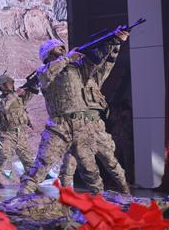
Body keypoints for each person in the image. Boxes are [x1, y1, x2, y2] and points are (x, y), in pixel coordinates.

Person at [20, 32, 132, 195]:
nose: (62, 50)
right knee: (41, 166)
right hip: (59, 126)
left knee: (91, 169)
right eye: (57, 49)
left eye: (62, 48)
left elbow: (102, 68)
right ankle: (20, 199)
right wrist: (67, 58)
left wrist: (115, 43)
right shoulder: (44, 71)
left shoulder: (78, 69)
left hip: (83, 126)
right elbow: (43, 76)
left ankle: (111, 197)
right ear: (48, 54)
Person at [55, 40, 130, 193]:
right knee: (72, 164)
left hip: (95, 125)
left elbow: (106, 66)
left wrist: (114, 45)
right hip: (77, 126)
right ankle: (68, 195)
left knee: (110, 160)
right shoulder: (61, 76)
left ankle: (124, 189)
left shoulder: (92, 79)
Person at [0, 73, 35, 197]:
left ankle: (33, 186)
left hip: (21, 134)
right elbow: (4, 107)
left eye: (12, 82)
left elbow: (28, 97)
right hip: (7, 135)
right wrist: (16, 94)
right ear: (2, 86)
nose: (12, 84)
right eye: (9, 83)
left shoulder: (17, 97)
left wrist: (32, 86)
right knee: (3, 159)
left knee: (29, 162)